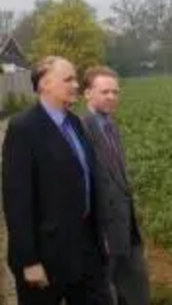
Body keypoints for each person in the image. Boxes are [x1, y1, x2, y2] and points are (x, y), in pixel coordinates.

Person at [1, 56, 112, 304]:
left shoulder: (75, 123)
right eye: (69, 79)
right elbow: (17, 201)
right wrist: (29, 261)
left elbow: (87, 181)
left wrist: (99, 233)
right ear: (45, 84)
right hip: (47, 253)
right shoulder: (23, 128)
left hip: (86, 247)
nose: (76, 85)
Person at [81, 65, 150, 305]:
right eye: (104, 92)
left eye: (115, 92)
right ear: (87, 93)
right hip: (103, 232)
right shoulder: (81, 130)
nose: (111, 97)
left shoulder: (111, 127)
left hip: (126, 226)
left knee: (135, 289)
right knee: (104, 292)